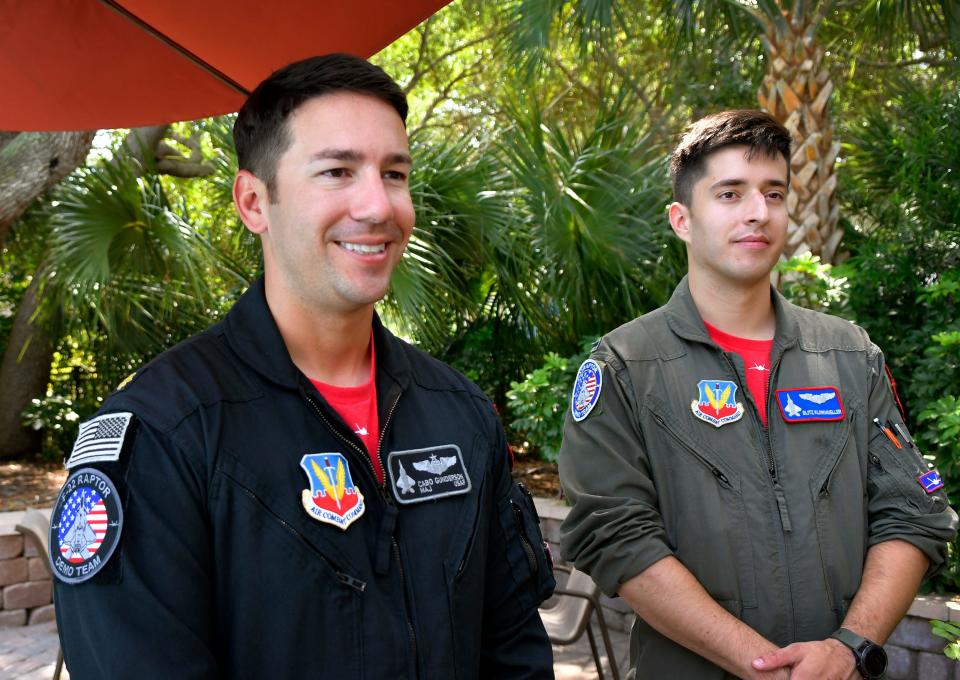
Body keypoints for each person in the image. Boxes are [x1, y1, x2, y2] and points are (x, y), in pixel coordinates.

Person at [50, 53, 555, 679]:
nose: (378, 206)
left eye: (395, 174)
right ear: (254, 202)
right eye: (338, 171)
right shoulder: (162, 431)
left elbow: (514, 653)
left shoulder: (460, 413)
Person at [558, 109, 957, 680]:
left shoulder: (849, 355)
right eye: (729, 193)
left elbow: (912, 510)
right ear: (682, 219)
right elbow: (616, 537)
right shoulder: (623, 367)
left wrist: (847, 649)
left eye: (774, 193)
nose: (757, 213)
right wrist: (764, 665)